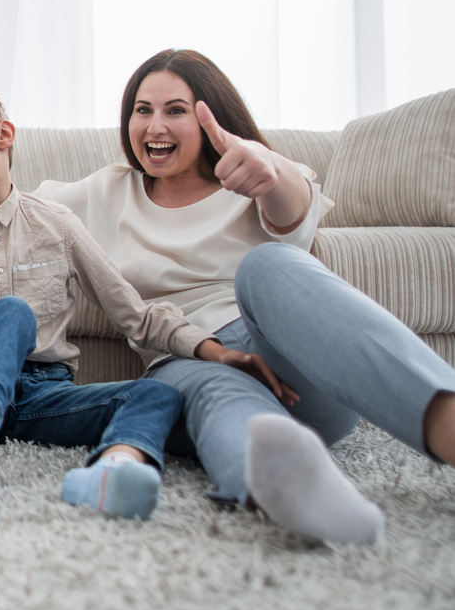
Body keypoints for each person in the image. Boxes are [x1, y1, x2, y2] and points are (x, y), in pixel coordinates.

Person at [35, 48, 455, 544]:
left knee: (269, 264)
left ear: (210, 114)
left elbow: (294, 217)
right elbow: (10, 210)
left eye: (175, 110)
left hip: (296, 365)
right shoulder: (103, 191)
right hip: (187, 359)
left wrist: (272, 174)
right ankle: (301, 499)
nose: (154, 126)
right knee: (205, 386)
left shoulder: (251, 173)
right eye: (142, 110)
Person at [0, 78, 284, 520]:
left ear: (4, 135)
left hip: (41, 397)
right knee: (11, 314)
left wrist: (219, 352)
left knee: (159, 394)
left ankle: (110, 472)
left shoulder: (58, 223)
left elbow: (136, 316)